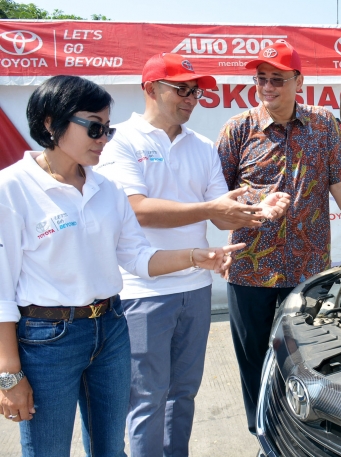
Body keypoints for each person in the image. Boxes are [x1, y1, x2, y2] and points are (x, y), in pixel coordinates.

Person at [0, 75, 242, 457]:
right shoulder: (12, 188)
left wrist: (196, 257)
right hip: (47, 339)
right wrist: (9, 374)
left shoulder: (106, 188)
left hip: (110, 329)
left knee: (111, 448)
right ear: (50, 123)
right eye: (94, 127)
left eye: (107, 129)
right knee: (48, 448)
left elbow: (137, 258)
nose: (103, 139)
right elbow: (1, 292)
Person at [96, 53, 290, 456]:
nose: (190, 98)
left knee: (182, 394)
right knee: (147, 397)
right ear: (150, 88)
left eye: (196, 91)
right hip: (142, 290)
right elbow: (138, 208)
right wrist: (210, 210)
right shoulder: (122, 141)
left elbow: (222, 215)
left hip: (196, 286)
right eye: (181, 89)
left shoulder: (201, 146)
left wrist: (258, 210)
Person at [215, 40, 341, 434]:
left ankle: (302, 432)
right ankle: (262, 433)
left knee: (306, 359)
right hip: (251, 272)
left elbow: (340, 185)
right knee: (254, 360)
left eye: (277, 79)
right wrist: (255, 208)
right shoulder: (237, 130)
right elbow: (215, 198)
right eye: (262, 80)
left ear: (299, 81)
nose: (268, 87)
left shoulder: (324, 125)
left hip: (307, 270)